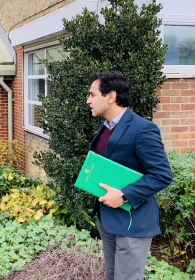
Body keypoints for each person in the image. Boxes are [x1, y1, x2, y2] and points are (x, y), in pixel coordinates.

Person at [86, 71, 172, 280]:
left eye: (92, 95)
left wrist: (124, 195)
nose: (88, 101)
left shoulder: (142, 129)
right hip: (108, 220)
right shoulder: (105, 127)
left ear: (111, 96)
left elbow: (162, 175)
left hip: (133, 223)